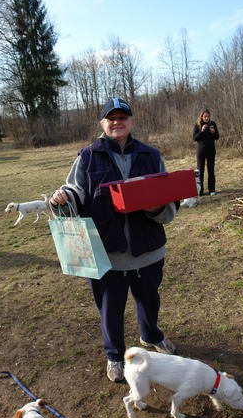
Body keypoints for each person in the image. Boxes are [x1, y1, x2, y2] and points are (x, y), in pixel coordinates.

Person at [50, 98, 179, 382]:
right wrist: (64, 197)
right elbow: (74, 190)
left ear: (131, 122)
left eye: (123, 117)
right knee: (110, 309)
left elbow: (169, 195)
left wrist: (155, 206)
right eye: (111, 117)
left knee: (149, 300)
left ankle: (151, 334)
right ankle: (115, 355)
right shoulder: (87, 156)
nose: (117, 122)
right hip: (106, 253)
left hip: (148, 249)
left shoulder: (150, 154)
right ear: (102, 123)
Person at [192, 109, 220, 196]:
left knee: (211, 170)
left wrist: (213, 132)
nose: (207, 118)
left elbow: (217, 137)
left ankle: (212, 190)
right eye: (205, 116)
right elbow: (195, 138)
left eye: (208, 116)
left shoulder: (212, 124)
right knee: (200, 170)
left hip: (211, 150)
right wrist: (202, 131)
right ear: (202, 117)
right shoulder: (197, 125)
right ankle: (200, 191)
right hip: (201, 151)